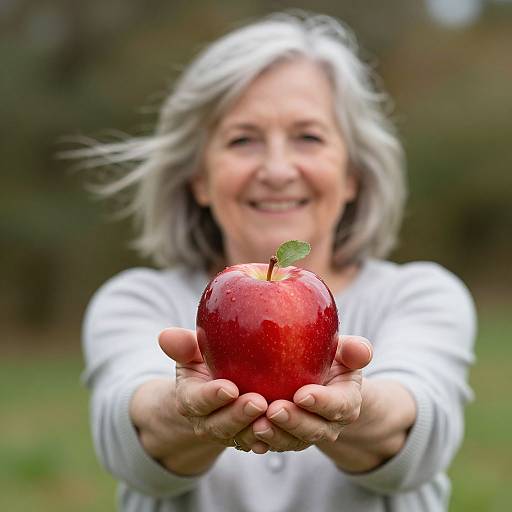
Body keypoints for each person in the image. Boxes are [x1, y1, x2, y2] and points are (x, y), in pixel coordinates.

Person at [78, 12, 476, 512]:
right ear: (198, 178)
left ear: (352, 172)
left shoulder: (421, 294)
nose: (277, 170)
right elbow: (130, 435)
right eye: (242, 139)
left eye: (308, 137)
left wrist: (354, 407)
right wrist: (184, 410)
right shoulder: (136, 300)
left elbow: (420, 429)